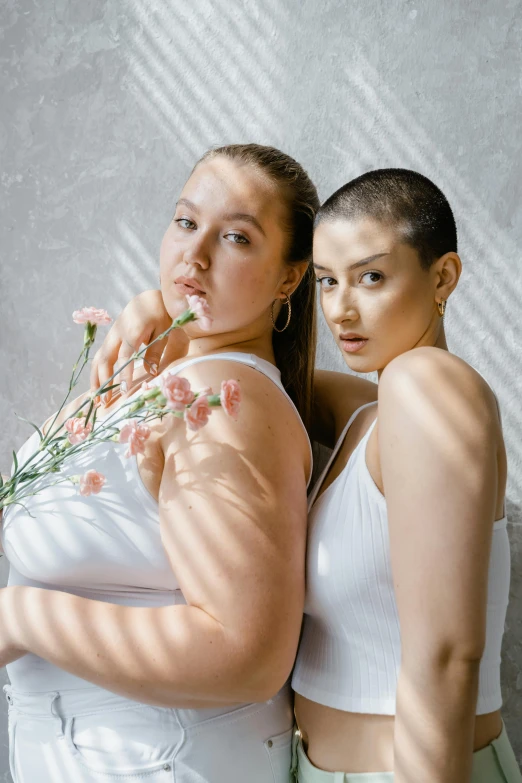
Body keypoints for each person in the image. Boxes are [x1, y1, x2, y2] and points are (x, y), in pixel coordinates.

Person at [96, 168, 520, 782]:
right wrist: (160, 307)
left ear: (443, 277)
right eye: (326, 281)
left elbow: (447, 656)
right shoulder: (365, 415)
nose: (342, 308)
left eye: (371, 277)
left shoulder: (427, 386)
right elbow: (247, 371)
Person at [0, 143, 319, 783]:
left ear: (289, 278)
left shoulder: (225, 402)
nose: (193, 255)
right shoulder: (173, 374)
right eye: (184, 222)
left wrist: (24, 616)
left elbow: (248, 655)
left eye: (236, 237)